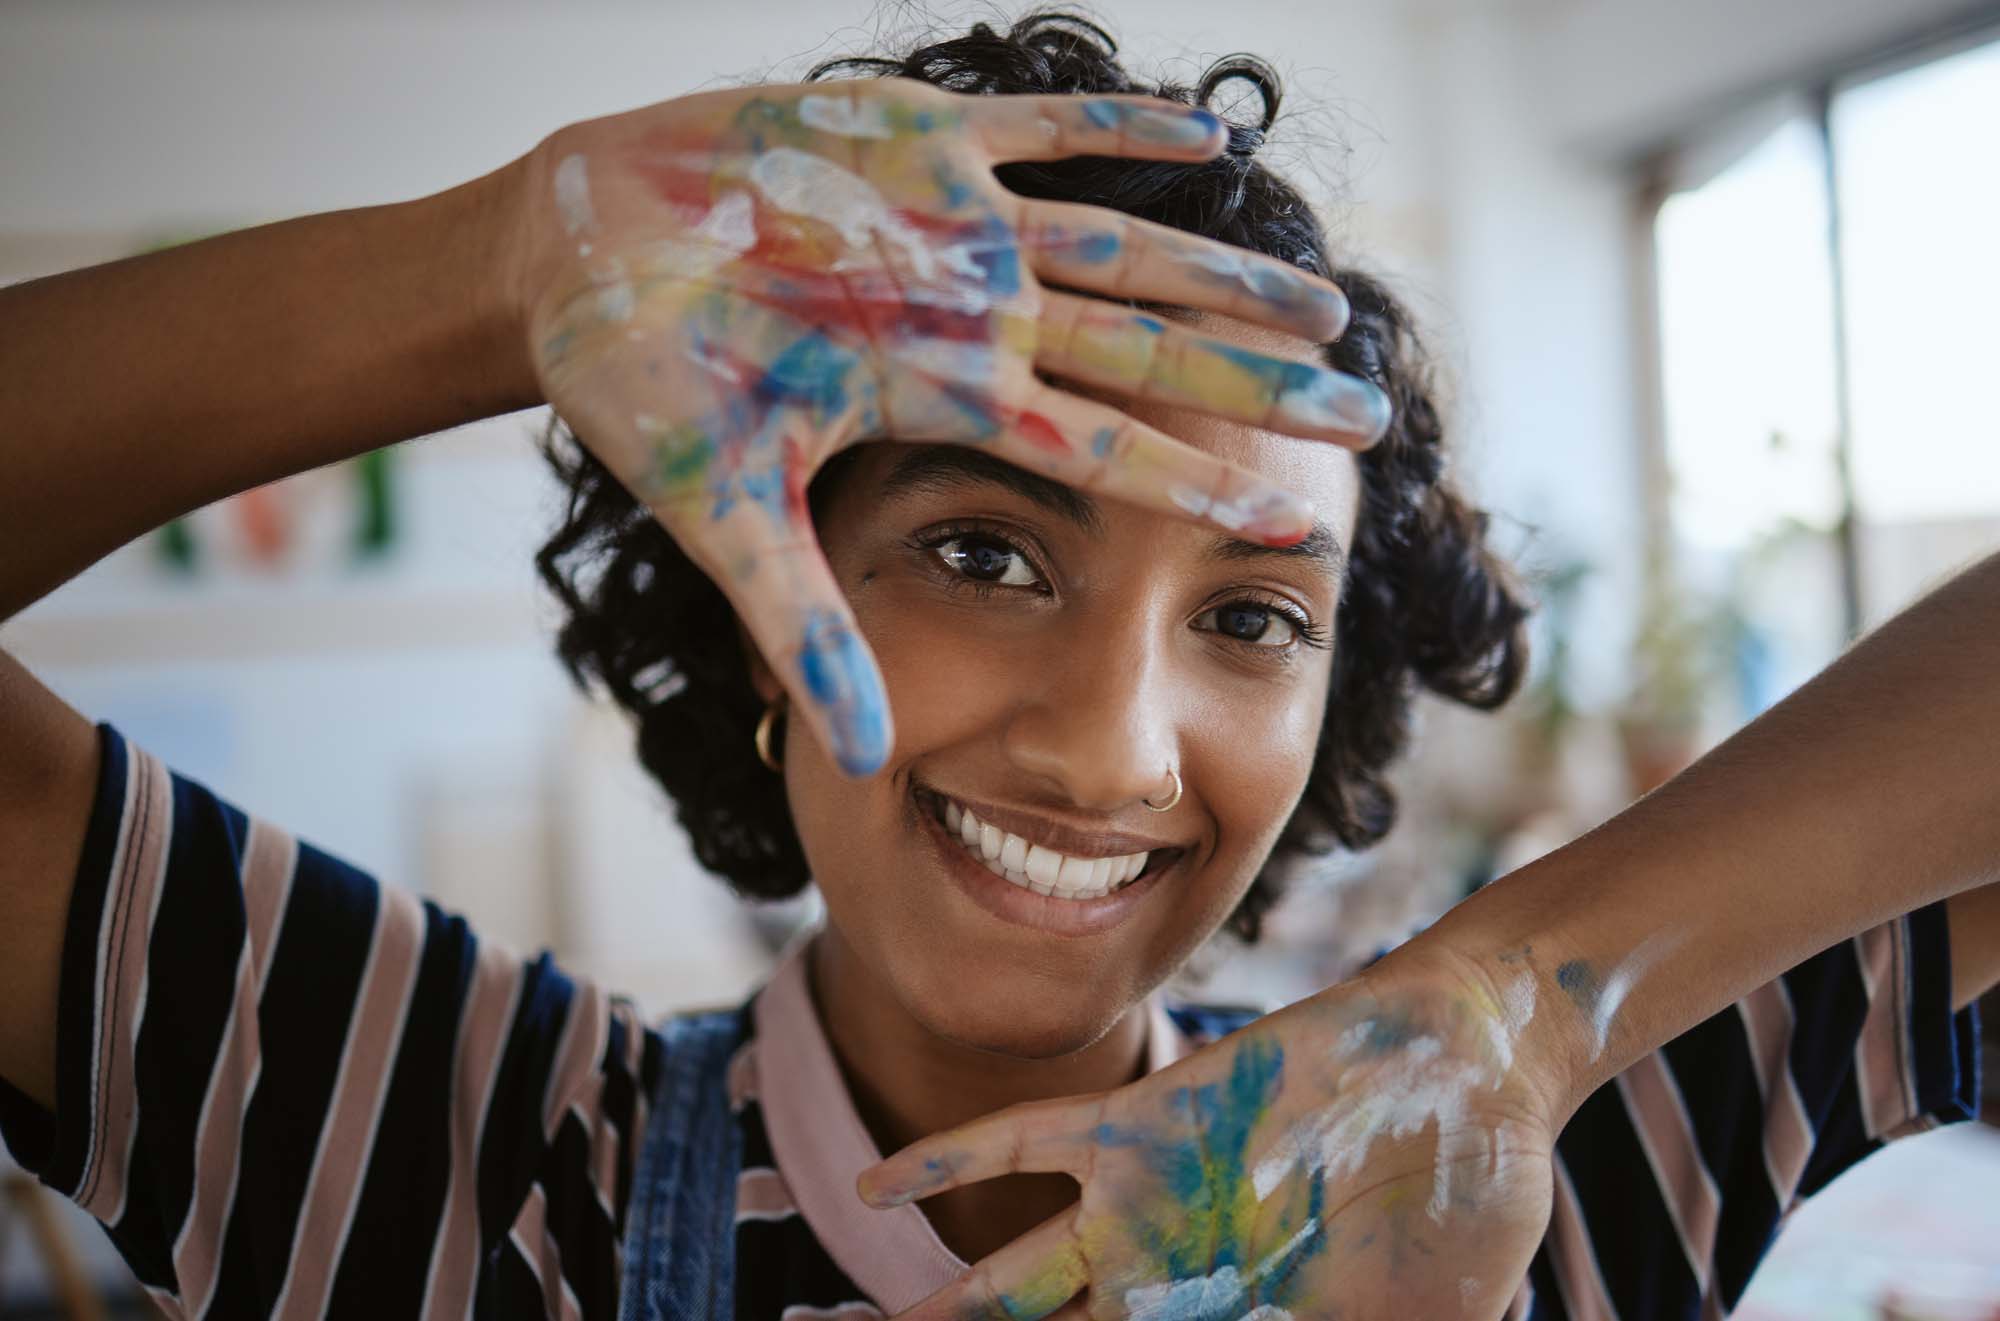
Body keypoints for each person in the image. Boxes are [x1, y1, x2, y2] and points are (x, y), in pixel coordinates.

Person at [0, 11, 1994, 1320]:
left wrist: (1528, 999)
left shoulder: (1525, 1149)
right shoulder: (458, 1153)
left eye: (1248, 614)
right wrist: (502, 265)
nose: (1110, 748)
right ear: (748, 583)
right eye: (983, 550)